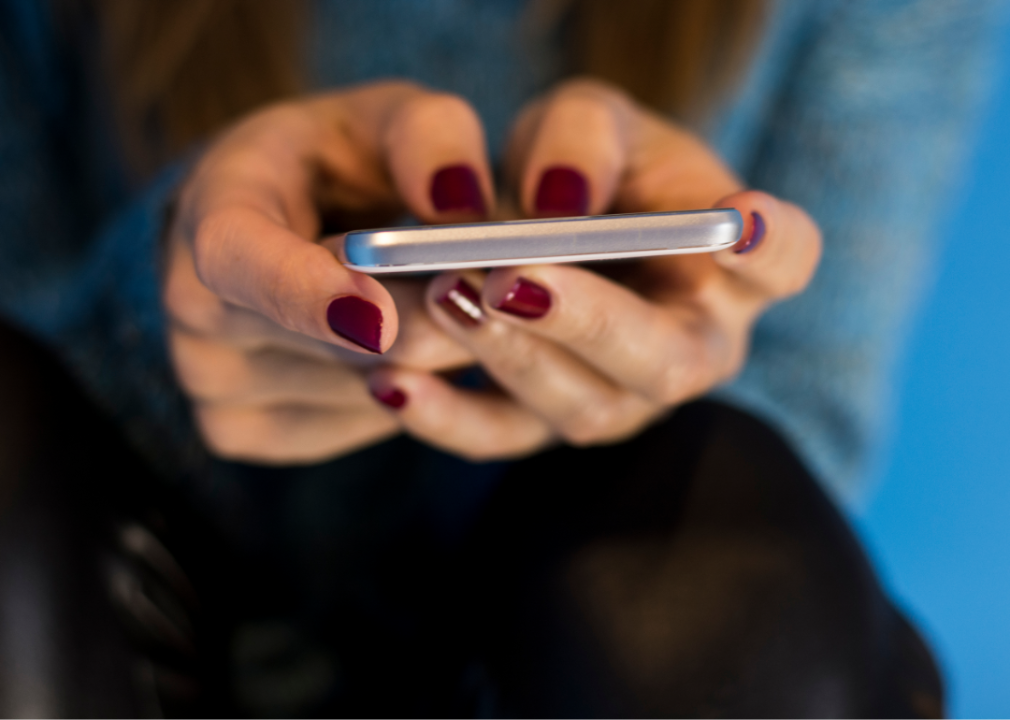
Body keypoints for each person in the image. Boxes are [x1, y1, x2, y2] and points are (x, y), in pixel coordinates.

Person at [0, 0, 1002, 716]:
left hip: (571, 643)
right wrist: (164, 307)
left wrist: (667, 340)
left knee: (722, 578)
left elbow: (795, 438)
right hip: (115, 614)